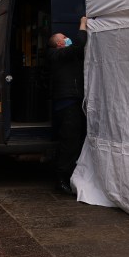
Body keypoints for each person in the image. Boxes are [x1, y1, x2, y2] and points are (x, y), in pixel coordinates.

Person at [47, 16, 88, 196]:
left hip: (73, 101)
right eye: (64, 38)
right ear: (59, 44)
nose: (67, 38)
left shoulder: (65, 55)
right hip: (67, 103)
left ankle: (69, 175)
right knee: (69, 142)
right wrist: (82, 24)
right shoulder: (57, 55)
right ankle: (61, 179)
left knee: (73, 140)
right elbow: (79, 44)